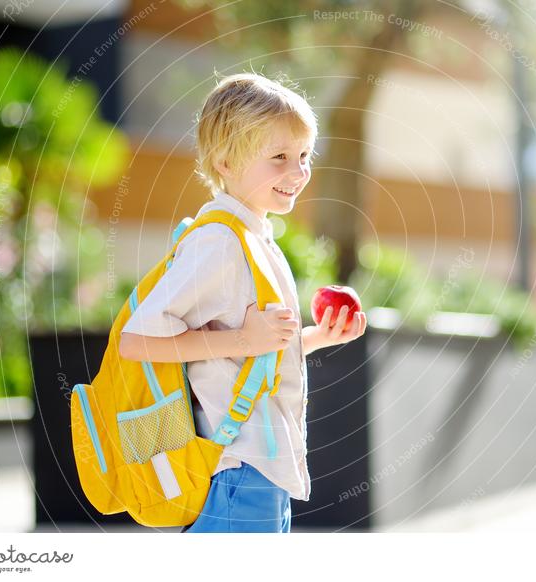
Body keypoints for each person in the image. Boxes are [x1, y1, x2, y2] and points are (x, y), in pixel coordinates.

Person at [118, 72, 367, 532]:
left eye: (304, 156)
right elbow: (136, 341)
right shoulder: (219, 241)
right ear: (227, 162)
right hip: (241, 468)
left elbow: (250, 355)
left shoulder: (255, 238)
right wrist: (245, 337)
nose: (298, 172)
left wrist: (314, 337)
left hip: (262, 468)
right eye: (279, 158)